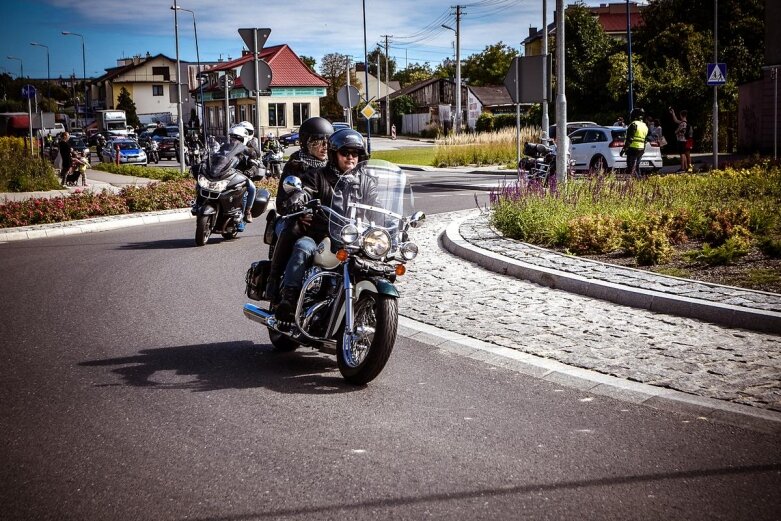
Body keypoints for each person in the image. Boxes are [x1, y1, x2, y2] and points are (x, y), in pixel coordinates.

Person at [274, 128, 371, 321]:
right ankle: (289, 300)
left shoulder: (366, 181)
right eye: (345, 153)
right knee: (303, 247)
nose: (350, 158)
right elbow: (308, 190)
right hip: (319, 235)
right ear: (335, 155)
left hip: (352, 239)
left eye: (355, 154)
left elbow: (377, 203)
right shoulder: (318, 175)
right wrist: (300, 197)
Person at [265, 117, 334, 304]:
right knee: (294, 228)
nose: (324, 147)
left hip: (327, 222)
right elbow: (282, 202)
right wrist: (297, 209)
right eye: (318, 142)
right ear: (305, 144)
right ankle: (274, 278)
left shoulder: (333, 166)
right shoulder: (295, 165)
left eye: (328, 142)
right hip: (296, 219)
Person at [226, 124, 257, 225]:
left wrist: (251, 170)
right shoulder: (225, 147)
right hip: (225, 174)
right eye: (232, 138)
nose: (234, 140)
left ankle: (248, 211)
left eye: (237, 138)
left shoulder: (248, 150)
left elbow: (254, 163)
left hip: (241, 175)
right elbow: (215, 156)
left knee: (252, 188)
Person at [620, 107, 649, 177]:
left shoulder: (633, 124)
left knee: (631, 166)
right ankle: (639, 180)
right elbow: (645, 139)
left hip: (633, 148)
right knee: (637, 166)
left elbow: (629, 139)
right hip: (641, 149)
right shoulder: (644, 125)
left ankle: (637, 180)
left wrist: (623, 149)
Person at [670, 107, 691, 172]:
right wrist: (673, 113)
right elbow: (676, 120)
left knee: (682, 154)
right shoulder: (685, 122)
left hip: (682, 141)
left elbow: (677, 131)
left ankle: (682, 168)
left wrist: (676, 131)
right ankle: (686, 167)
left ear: (681, 115)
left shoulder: (683, 124)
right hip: (686, 140)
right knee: (685, 154)